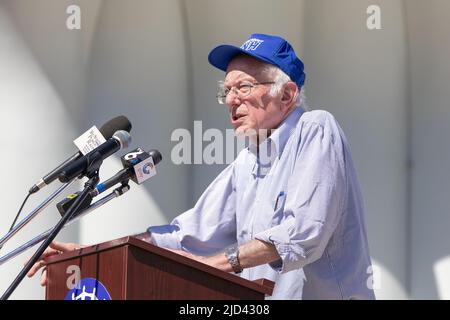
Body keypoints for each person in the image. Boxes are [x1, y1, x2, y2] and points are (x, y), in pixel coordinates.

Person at [28, 33, 375, 300]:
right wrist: (96, 254)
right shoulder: (248, 160)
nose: (232, 100)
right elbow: (186, 236)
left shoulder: (315, 129)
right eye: (226, 92)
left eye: (244, 87)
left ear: (286, 94)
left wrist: (219, 265)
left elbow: (301, 235)